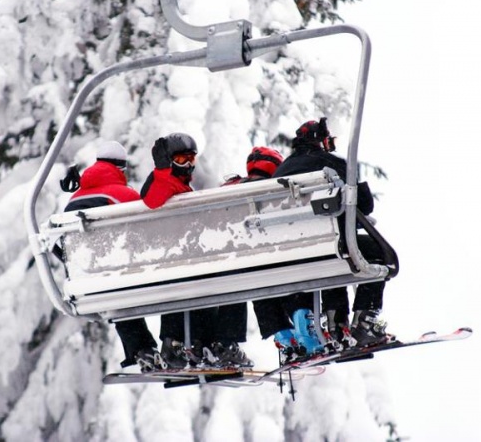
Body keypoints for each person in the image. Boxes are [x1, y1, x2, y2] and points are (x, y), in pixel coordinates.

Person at [262, 118, 398, 358]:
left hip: (290, 253)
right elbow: (364, 205)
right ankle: (362, 321)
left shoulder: (280, 172)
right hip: (329, 245)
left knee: (331, 254)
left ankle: (336, 325)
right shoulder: (331, 164)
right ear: (322, 141)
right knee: (375, 251)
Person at [140, 133, 253, 369]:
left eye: (192, 159)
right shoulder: (164, 181)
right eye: (182, 159)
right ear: (168, 160)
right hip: (175, 261)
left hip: (182, 260)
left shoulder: (180, 186)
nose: (188, 165)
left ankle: (203, 345)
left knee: (207, 282)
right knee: (231, 279)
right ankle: (219, 344)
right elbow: (151, 199)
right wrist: (162, 170)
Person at [62, 141, 164, 372]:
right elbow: (148, 229)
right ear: (120, 168)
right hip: (120, 271)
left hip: (85, 278)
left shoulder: (74, 199)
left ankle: (142, 350)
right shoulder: (123, 194)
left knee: (115, 295)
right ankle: (178, 344)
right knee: (122, 285)